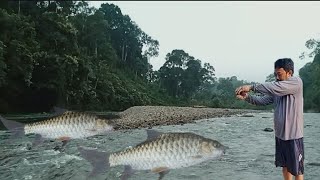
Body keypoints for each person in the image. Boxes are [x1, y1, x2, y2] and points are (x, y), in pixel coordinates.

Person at [235, 58, 304, 180]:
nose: (277, 77)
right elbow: (262, 101)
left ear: (290, 72)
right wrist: (247, 97)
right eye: (275, 74)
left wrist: (251, 86)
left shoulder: (296, 82)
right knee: (285, 166)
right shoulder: (277, 90)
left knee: (297, 170)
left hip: (293, 135)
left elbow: (273, 87)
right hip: (280, 136)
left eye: (279, 74)